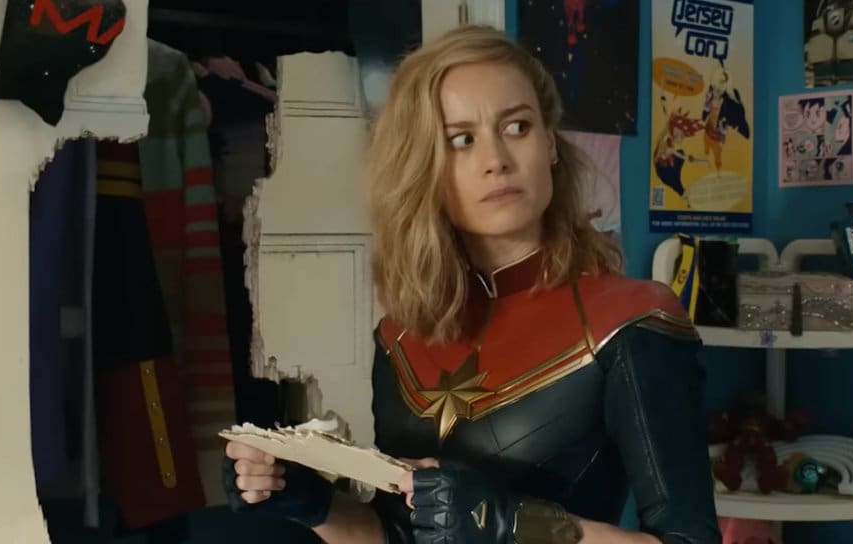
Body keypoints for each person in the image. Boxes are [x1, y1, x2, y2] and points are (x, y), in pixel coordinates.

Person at [222, 25, 720, 544]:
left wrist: (514, 523)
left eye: (517, 127)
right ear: (424, 167)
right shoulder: (399, 337)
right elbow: (397, 534)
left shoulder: (631, 321)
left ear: (550, 143)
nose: (496, 160)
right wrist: (314, 505)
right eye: (461, 140)